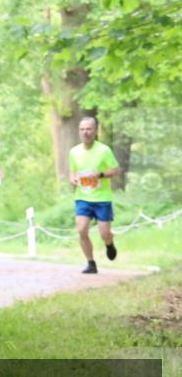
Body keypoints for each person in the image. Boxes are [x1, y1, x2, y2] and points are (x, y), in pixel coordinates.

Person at [69, 117, 119, 273]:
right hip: (83, 198)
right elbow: (73, 171)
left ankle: (109, 243)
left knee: (104, 232)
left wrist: (101, 174)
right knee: (82, 230)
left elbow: (115, 170)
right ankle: (91, 263)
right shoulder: (74, 151)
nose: (85, 132)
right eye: (82, 129)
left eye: (89, 129)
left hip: (102, 199)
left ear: (95, 132)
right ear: (79, 132)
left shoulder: (104, 150)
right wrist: (73, 179)